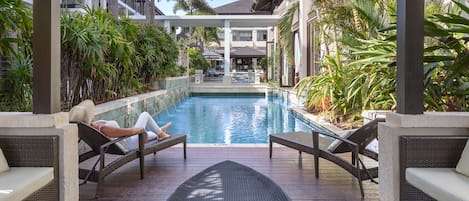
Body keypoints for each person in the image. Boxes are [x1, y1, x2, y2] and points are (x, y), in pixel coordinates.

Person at [69, 100, 172, 144]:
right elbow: (127, 133)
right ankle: (161, 133)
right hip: (130, 143)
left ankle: (158, 132)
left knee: (150, 132)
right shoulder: (103, 128)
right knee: (144, 115)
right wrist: (138, 129)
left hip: (128, 140)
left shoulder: (96, 126)